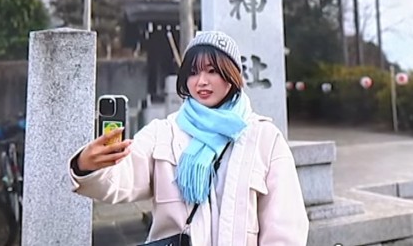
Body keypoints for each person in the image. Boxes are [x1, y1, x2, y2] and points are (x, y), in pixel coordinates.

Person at [67, 30, 310, 245]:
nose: (201, 81)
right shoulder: (163, 132)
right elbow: (122, 179)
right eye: (193, 73)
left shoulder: (264, 137)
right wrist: (88, 165)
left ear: (232, 75)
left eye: (212, 71)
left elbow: (285, 226)